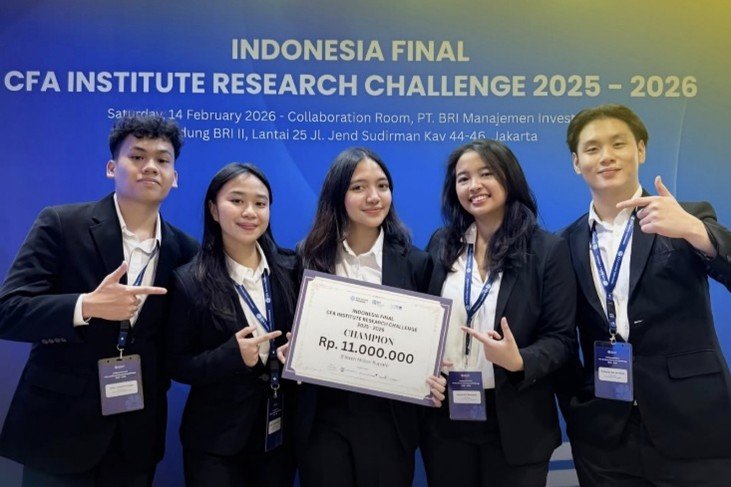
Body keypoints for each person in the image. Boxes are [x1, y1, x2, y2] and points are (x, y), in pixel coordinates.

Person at [0, 115, 199, 486]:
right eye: (136, 156)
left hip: (135, 436)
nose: (150, 167)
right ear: (111, 168)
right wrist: (86, 306)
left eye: (162, 160)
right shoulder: (62, 223)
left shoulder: (187, 251)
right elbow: (8, 311)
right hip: (58, 428)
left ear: (174, 177)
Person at [560, 103, 731, 486]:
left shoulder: (685, 216)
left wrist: (696, 231)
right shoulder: (565, 243)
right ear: (576, 162)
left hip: (692, 423)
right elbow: (561, 336)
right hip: (604, 435)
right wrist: (577, 408)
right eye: (592, 148)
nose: (606, 156)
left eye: (618, 143)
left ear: (640, 149)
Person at [285, 147, 445, 487]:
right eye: (358, 187)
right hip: (322, 420)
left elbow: (428, 342)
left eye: (382, 186)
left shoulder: (416, 263)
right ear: (337, 194)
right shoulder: (308, 258)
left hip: (389, 421)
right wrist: (291, 349)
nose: (374, 197)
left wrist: (434, 370)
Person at [420, 139, 576, 486]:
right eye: (463, 178)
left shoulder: (547, 250)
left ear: (509, 178)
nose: (474, 185)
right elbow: (425, 322)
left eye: (486, 174)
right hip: (446, 419)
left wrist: (518, 360)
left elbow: (561, 339)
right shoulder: (442, 243)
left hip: (517, 421)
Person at [166, 163, 297, 486]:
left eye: (260, 203)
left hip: (279, 436)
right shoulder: (189, 281)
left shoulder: (292, 268)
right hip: (215, 441)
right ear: (214, 209)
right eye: (236, 201)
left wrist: (297, 352)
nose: (249, 212)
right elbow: (176, 363)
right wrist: (230, 356)